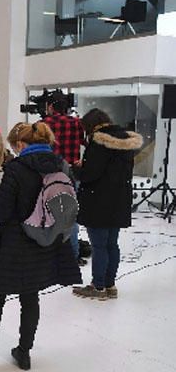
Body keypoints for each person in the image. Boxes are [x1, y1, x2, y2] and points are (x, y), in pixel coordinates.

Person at [0, 122, 81, 372]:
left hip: (12, 244)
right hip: (43, 243)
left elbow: (1, 212)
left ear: (21, 144)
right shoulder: (60, 165)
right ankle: (24, 352)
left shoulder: (16, 169)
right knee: (30, 297)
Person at [72, 109, 142, 300]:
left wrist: (78, 169)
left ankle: (98, 286)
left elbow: (90, 175)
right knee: (112, 244)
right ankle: (110, 285)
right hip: (119, 199)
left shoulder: (99, 142)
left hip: (99, 200)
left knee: (99, 245)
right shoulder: (126, 141)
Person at [42, 93, 86, 265]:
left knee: (46, 215)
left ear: (51, 107)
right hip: (71, 174)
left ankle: (49, 254)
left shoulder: (44, 124)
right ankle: (72, 256)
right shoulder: (77, 123)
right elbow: (86, 143)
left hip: (49, 174)